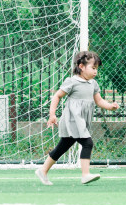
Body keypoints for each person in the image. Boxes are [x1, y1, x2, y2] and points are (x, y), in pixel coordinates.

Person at [35, 50, 119, 185]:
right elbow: (57, 96)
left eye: (96, 68)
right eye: (93, 68)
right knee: (88, 143)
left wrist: (110, 106)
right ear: (81, 66)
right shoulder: (72, 82)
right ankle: (85, 174)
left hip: (82, 121)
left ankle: (43, 170)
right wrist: (52, 115)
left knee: (62, 147)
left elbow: (99, 101)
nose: (95, 71)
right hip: (72, 120)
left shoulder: (93, 84)